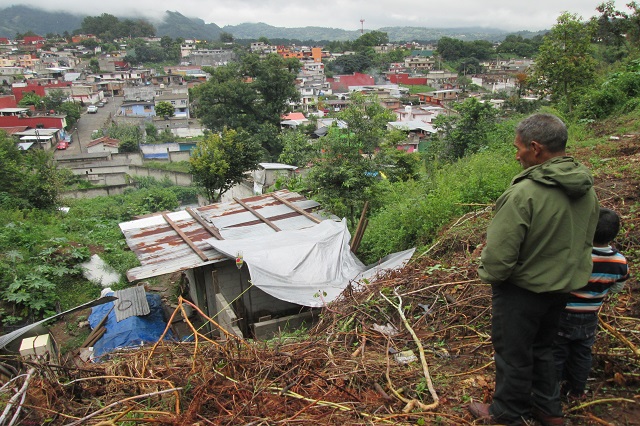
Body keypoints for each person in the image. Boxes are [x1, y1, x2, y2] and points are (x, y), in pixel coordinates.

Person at [468, 113, 600, 426]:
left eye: (519, 148)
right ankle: (549, 411)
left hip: (521, 291)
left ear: (536, 148)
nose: (517, 154)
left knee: (513, 354)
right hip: (561, 287)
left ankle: (507, 413)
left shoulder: (523, 194)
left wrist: (489, 275)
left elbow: (500, 257)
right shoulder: (586, 190)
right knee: (543, 347)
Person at [553, 207, 629, 399]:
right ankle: (577, 391)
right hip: (589, 316)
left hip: (564, 313)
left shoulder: (577, 255)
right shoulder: (620, 262)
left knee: (557, 352)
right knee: (582, 354)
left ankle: (552, 392)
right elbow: (616, 288)